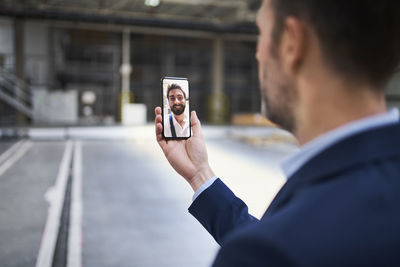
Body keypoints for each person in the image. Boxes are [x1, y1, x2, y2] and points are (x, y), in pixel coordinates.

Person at [155, 0, 400, 265]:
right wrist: (200, 174)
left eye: (260, 33)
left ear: (291, 44)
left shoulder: (270, 252)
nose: (258, 55)